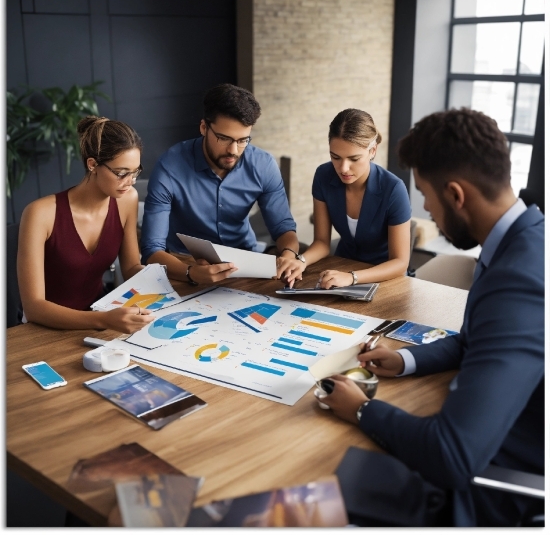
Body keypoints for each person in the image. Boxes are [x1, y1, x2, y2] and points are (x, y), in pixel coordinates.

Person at [316, 108, 544, 526]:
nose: (423, 207)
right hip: (488, 433)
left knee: (316, 486)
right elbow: (478, 337)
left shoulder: (520, 282)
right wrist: (406, 360)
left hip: (497, 484)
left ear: (456, 194)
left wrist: (363, 410)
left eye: (425, 193)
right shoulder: (523, 240)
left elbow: (451, 457)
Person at [140, 83, 300, 285]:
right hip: (183, 263)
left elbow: (283, 228)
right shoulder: (169, 166)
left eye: (243, 140)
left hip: (245, 262)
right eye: (224, 138)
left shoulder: (263, 164)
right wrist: (191, 272)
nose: (233, 150)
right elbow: (151, 250)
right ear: (204, 127)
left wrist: (288, 254)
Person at [18, 116, 154, 333]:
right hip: (44, 329)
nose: (131, 182)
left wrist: (173, 276)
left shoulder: (126, 199)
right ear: (93, 165)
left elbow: (130, 268)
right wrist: (103, 320)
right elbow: (34, 307)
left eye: (135, 172)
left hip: (100, 318)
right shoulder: (39, 214)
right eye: (121, 173)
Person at [280, 108, 411, 289]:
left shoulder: (394, 189)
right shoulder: (323, 175)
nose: (343, 168)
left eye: (354, 158)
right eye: (335, 157)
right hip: (341, 270)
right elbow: (322, 243)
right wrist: (301, 260)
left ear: (372, 151)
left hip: (384, 278)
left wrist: (352, 277)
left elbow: (400, 262)